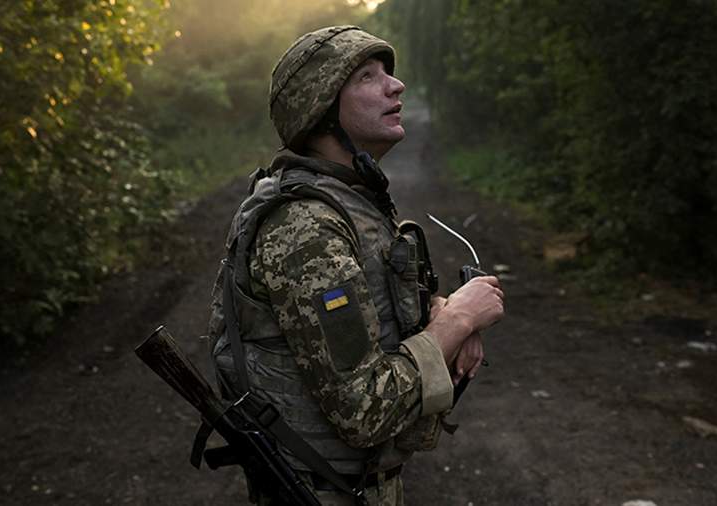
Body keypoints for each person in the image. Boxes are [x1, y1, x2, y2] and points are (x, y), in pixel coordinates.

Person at [207, 25, 504, 505]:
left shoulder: (351, 200)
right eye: (367, 76)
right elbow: (363, 410)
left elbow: (378, 314)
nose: (395, 85)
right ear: (321, 108)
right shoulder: (306, 226)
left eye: (388, 72)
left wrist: (444, 313)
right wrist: (458, 322)